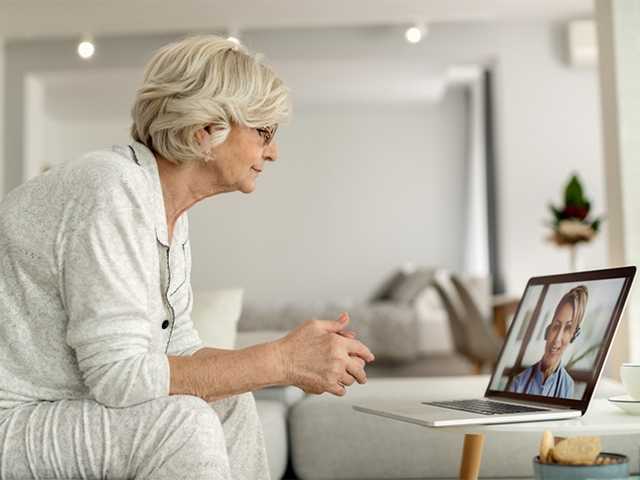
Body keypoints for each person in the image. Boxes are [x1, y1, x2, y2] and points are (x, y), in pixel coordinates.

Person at [0, 36, 374, 480]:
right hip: (15, 416)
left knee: (229, 400)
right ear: (205, 131)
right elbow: (119, 378)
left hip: (55, 410)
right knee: (182, 424)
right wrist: (281, 361)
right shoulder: (110, 189)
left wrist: (280, 362)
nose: (273, 151)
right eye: (263, 132)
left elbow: (179, 352)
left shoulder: (163, 207)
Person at [509, 286, 588, 398]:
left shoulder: (567, 386)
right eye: (556, 326)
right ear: (548, 330)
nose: (557, 339)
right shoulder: (519, 381)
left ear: (573, 336)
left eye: (568, 328)